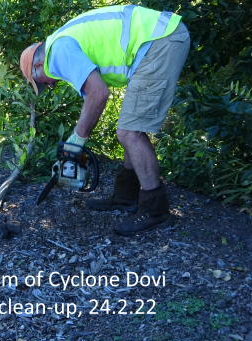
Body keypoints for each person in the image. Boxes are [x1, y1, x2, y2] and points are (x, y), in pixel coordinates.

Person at [20, 5, 190, 235]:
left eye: (40, 81)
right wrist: (78, 137)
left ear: (38, 65)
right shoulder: (60, 43)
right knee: (131, 128)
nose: (48, 85)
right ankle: (125, 197)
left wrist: (76, 140)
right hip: (157, 40)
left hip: (159, 42)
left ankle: (155, 211)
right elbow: (94, 97)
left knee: (129, 132)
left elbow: (98, 94)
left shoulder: (57, 53)